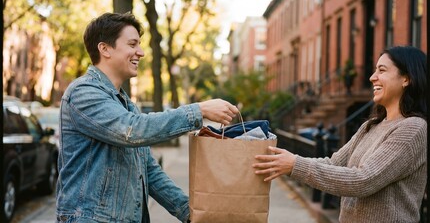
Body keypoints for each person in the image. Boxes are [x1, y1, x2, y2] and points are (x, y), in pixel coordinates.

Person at [55, 12, 239, 223]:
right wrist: (197, 111)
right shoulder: (83, 92)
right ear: (104, 48)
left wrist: (192, 215)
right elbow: (130, 131)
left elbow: (149, 173)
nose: (140, 52)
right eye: (132, 44)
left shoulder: (126, 105)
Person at [253, 46, 427, 222]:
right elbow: (333, 163)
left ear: (406, 78)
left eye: (382, 70)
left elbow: (364, 180)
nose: (372, 77)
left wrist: (295, 165)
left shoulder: (413, 128)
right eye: (374, 70)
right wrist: (286, 160)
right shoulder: (370, 126)